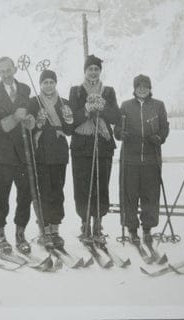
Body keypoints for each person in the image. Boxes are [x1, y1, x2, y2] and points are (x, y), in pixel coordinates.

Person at [0, 56, 35, 254]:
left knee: (25, 196)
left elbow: (27, 116)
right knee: (0, 195)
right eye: (1, 71)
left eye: (8, 70)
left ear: (14, 69)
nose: (5, 74)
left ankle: (20, 233)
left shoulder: (25, 90)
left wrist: (28, 120)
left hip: (24, 154)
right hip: (3, 155)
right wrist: (15, 117)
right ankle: (0, 234)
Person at [68, 54, 121, 245]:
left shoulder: (108, 91)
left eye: (96, 69)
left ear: (100, 71)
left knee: (101, 184)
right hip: (82, 145)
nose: (93, 72)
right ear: (85, 71)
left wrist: (102, 107)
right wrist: (87, 110)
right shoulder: (75, 91)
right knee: (82, 186)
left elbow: (115, 116)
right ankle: (85, 223)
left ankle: (98, 223)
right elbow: (72, 120)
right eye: (90, 69)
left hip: (103, 144)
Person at [114, 74, 169, 247]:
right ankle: (131, 229)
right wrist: (120, 134)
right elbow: (117, 129)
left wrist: (159, 137)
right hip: (130, 159)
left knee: (150, 195)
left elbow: (165, 127)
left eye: (146, 86)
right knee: (130, 195)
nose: (142, 89)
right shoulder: (126, 106)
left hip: (151, 159)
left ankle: (147, 228)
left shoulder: (158, 105)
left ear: (150, 88)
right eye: (139, 86)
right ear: (135, 88)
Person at [28, 69, 74, 249]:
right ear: (40, 85)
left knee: (58, 191)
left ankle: (55, 229)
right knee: (44, 191)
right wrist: (38, 123)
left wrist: (68, 120)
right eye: (45, 82)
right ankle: (44, 229)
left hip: (59, 152)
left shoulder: (64, 102)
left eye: (51, 82)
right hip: (41, 153)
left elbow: (70, 130)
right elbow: (29, 128)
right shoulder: (34, 103)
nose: (48, 85)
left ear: (55, 83)